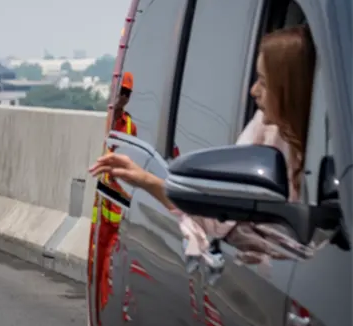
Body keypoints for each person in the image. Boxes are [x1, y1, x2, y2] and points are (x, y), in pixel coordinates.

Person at [90, 25, 317, 266]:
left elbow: (220, 213)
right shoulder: (268, 133)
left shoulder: (314, 154)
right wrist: (144, 179)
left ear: (288, 89)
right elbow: (217, 214)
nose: (253, 91)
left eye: (263, 81)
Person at [91, 71, 136, 326]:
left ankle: (108, 317)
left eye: (127, 94)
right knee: (98, 267)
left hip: (117, 209)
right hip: (102, 207)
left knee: (113, 268)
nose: (122, 98)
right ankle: (99, 315)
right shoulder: (107, 120)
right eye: (121, 92)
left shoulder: (129, 126)